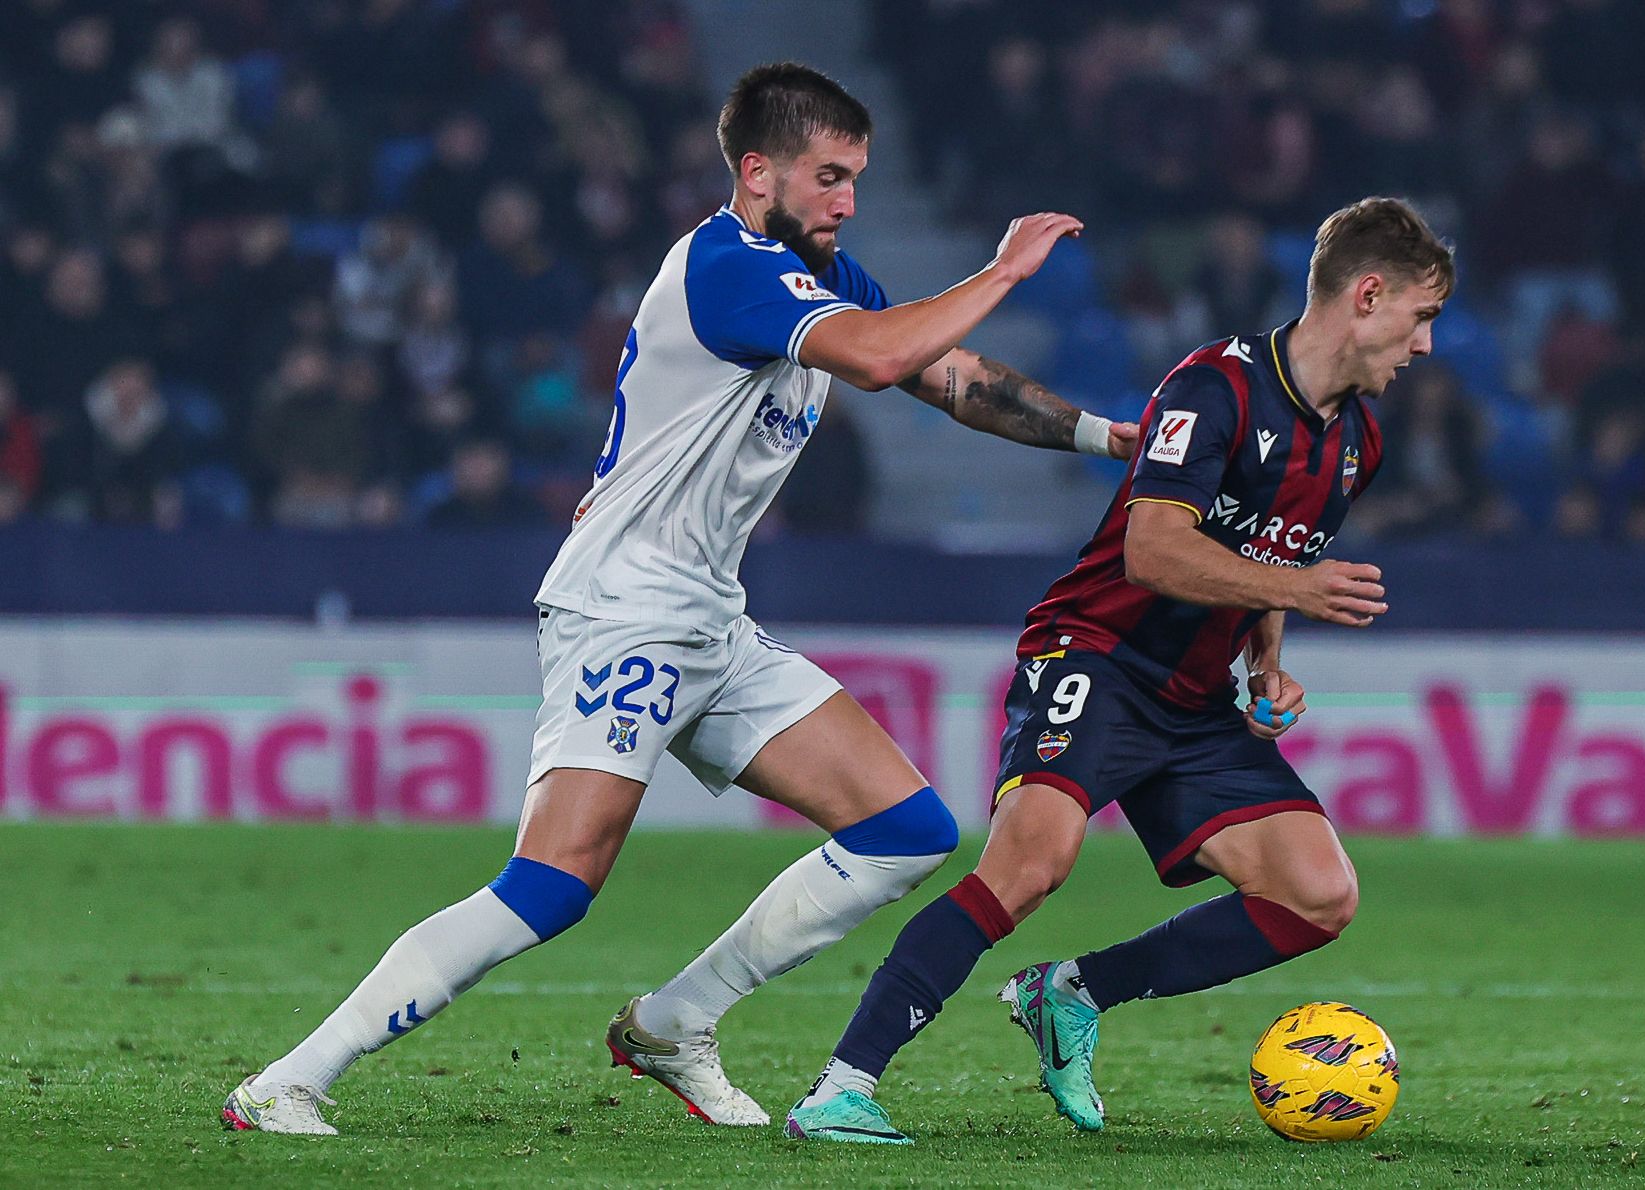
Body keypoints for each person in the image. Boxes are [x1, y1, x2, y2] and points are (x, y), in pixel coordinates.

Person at [223, 61, 1137, 1136]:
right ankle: (291, 1076)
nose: (849, 201)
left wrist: (1098, 437)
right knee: (555, 882)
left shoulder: (816, 276)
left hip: (707, 613)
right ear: (759, 174)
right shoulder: (726, 265)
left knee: (905, 828)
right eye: (830, 177)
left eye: (857, 179)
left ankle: (676, 1018)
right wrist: (1004, 268)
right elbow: (889, 361)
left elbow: (957, 377)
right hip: (624, 608)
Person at [787, 196, 1452, 1144]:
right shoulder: (1213, 388)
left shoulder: (1357, 442)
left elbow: (1271, 550)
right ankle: (840, 1086)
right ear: (1369, 294)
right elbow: (1152, 551)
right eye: (1420, 318)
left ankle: (1073, 993)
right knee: (1029, 864)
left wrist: (1267, 657)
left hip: (1192, 698)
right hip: (1097, 652)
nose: (1425, 346)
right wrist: (1297, 590)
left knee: (1318, 894)